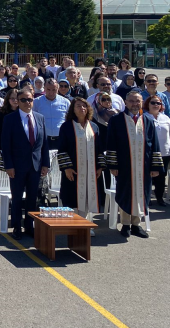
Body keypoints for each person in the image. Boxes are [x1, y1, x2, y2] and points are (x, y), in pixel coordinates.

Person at [107, 90, 162, 238]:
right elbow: (111, 143)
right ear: (125, 102)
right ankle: (125, 225)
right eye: (131, 101)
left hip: (144, 165)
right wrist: (113, 165)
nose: (134, 104)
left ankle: (136, 225)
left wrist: (155, 166)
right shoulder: (117, 120)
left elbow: (155, 144)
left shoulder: (148, 121)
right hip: (124, 165)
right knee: (125, 193)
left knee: (141, 194)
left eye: (137, 101)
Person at [1, 89, 49, 240]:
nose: (27, 103)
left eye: (30, 99)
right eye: (23, 100)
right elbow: (5, 145)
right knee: (16, 198)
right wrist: (8, 166)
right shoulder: (10, 119)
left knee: (32, 197)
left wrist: (45, 164)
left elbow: (44, 143)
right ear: (18, 101)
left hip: (35, 165)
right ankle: (16, 226)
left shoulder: (40, 118)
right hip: (17, 166)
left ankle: (29, 225)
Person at [56, 97, 106, 231]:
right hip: (74, 169)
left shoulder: (94, 126)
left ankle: (86, 225)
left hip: (91, 170)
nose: (82, 108)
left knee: (89, 197)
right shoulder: (66, 126)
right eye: (78, 106)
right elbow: (62, 149)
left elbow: (100, 148)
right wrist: (67, 168)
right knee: (74, 198)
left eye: (84, 106)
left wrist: (100, 167)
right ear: (73, 109)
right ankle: (75, 225)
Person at [144, 95, 170, 206]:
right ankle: (147, 198)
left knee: (161, 177)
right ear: (147, 104)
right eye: (153, 103)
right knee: (148, 177)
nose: (155, 105)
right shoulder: (143, 117)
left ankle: (160, 199)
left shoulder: (166, 118)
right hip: (150, 153)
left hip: (165, 152)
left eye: (158, 103)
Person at [33, 78, 70, 144]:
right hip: (44, 139)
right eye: (48, 89)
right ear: (44, 88)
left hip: (61, 138)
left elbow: (69, 119)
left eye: (54, 90)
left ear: (58, 89)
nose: (51, 92)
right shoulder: (36, 102)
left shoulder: (66, 102)